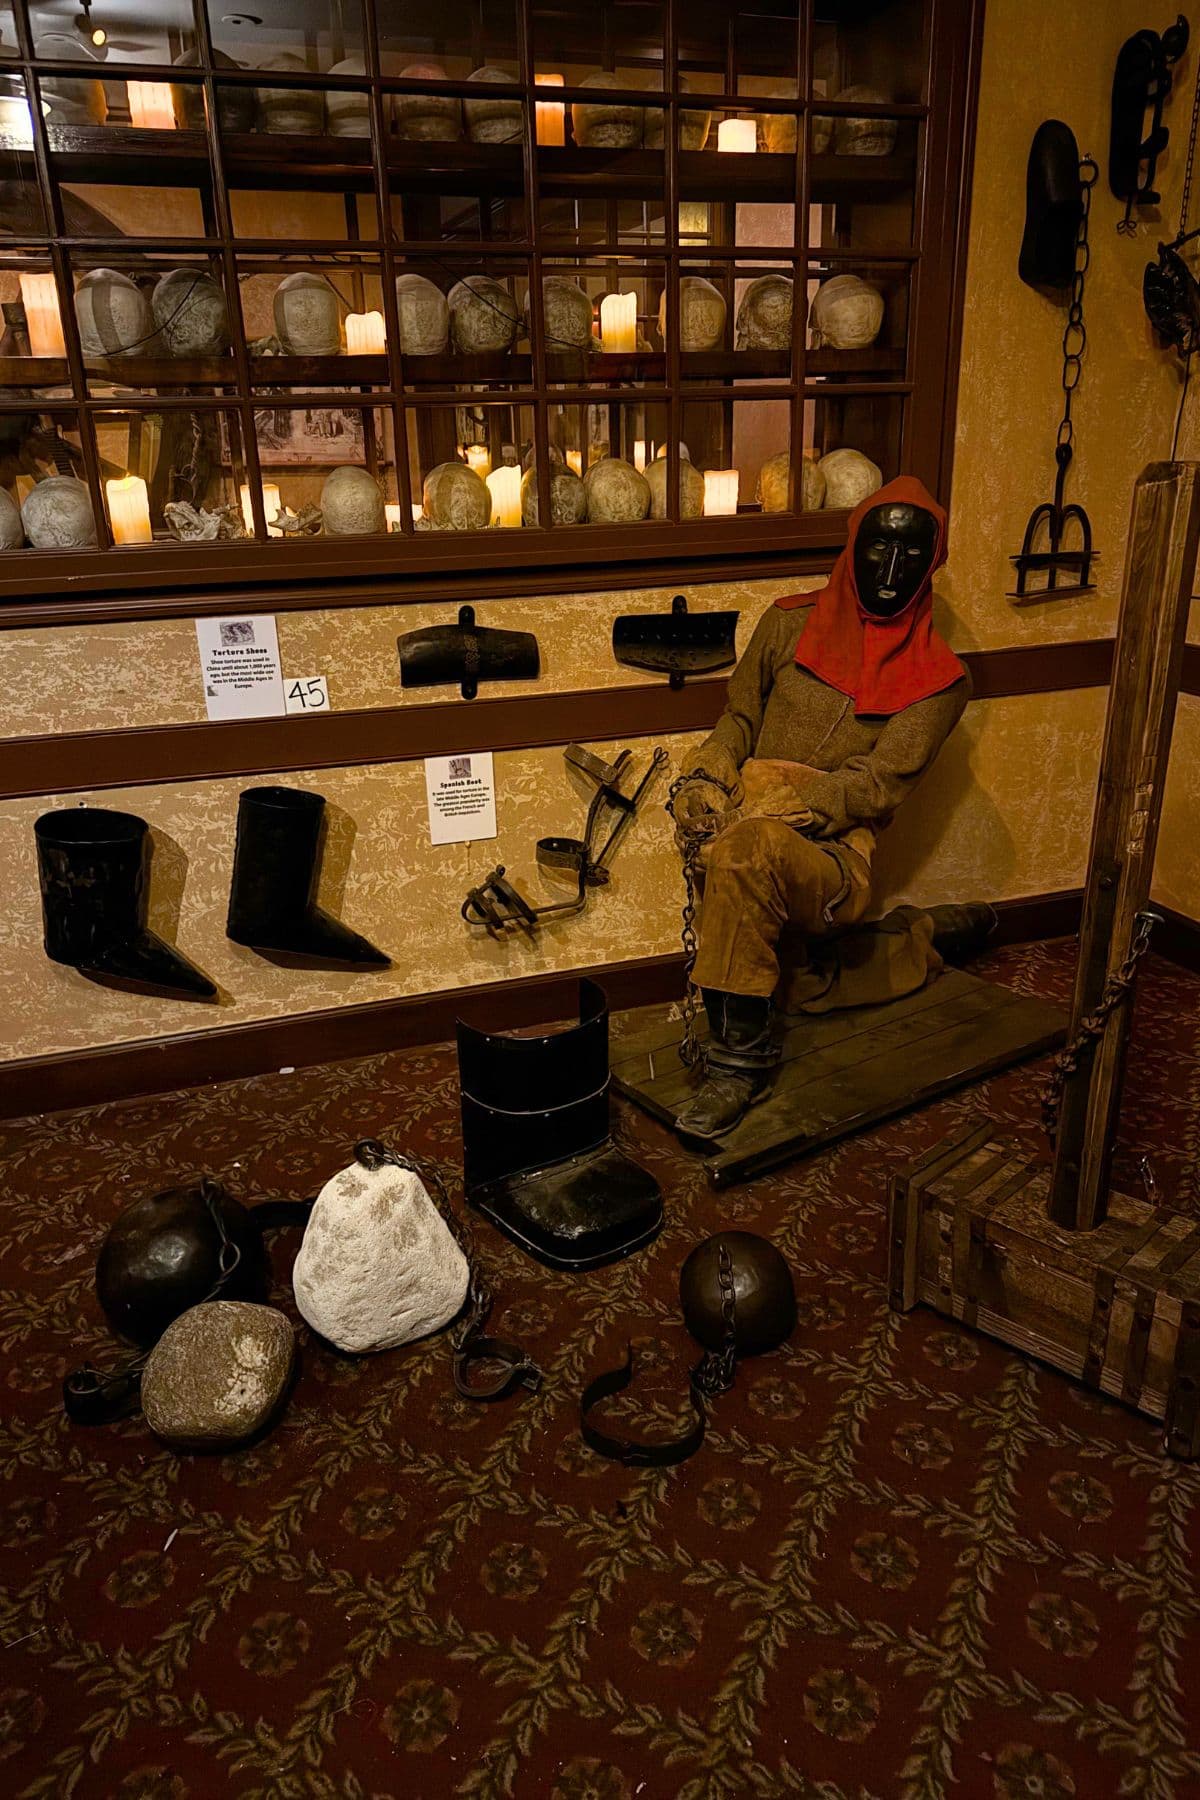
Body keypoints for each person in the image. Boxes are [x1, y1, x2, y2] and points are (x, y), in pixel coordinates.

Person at [671, 473, 990, 1144]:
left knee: (747, 850)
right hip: (747, 821)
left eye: (912, 557)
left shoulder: (941, 679)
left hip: (834, 853)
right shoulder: (787, 623)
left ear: (932, 564)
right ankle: (924, 932)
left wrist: (794, 802)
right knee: (798, 973)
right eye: (879, 548)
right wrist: (704, 777)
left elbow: (876, 785)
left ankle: (738, 1066)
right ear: (854, 546)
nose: (891, 570)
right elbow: (738, 719)